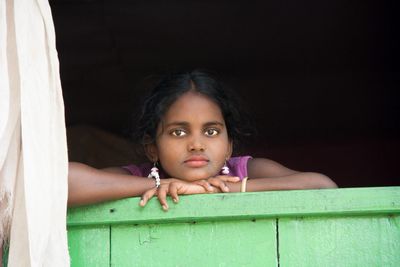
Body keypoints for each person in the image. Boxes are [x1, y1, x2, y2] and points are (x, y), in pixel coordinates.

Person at [68, 70, 337, 210]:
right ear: (152, 148)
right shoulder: (140, 178)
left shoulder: (243, 171)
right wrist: (162, 183)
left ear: (229, 145)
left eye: (211, 131)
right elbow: (60, 184)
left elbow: (323, 188)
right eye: (178, 132)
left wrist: (206, 191)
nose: (196, 144)